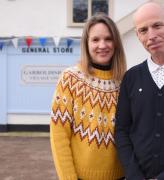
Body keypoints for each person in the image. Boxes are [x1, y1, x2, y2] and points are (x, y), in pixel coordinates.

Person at [50, 13, 126, 180]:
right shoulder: (70, 78)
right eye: (95, 40)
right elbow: (59, 136)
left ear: (116, 43)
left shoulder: (125, 82)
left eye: (108, 38)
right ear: (86, 44)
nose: (102, 45)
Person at [115, 2, 164, 180]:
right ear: (137, 35)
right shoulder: (131, 78)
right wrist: (134, 175)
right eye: (143, 30)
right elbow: (122, 130)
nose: (151, 35)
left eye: (157, 25)